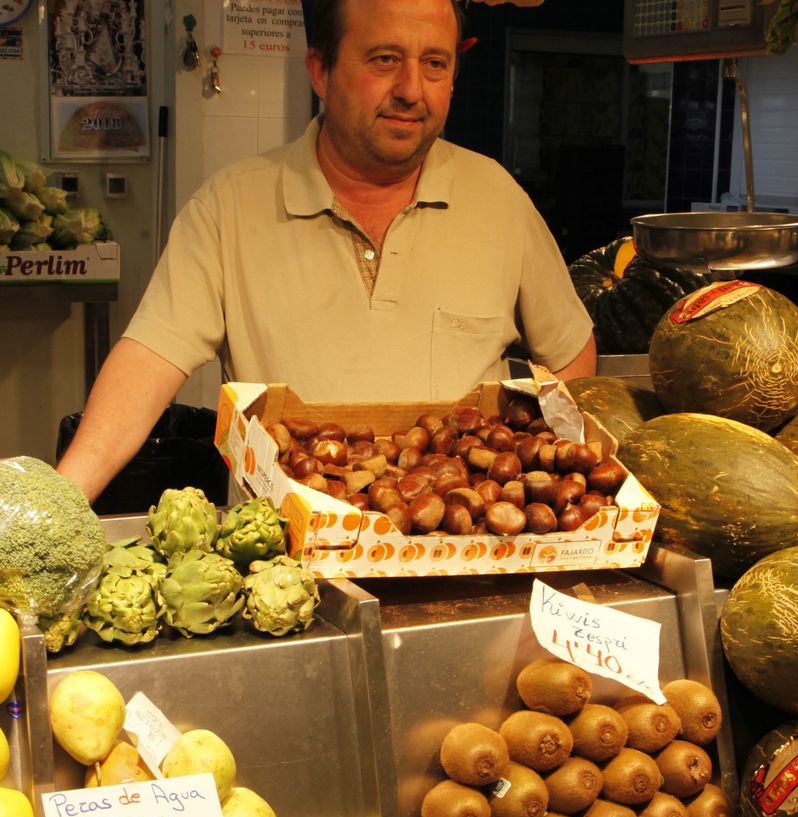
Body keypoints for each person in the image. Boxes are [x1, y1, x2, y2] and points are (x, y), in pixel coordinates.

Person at [57, 0, 595, 502]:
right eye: (384, 60)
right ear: (320, 72)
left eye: (435, 63)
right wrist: (57, 503)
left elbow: (570, 351)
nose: (412, 89)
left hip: (462, 559)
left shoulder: (497, 198)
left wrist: (545, 475)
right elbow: (148, 362)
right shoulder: (230, 207)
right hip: (290, 573)